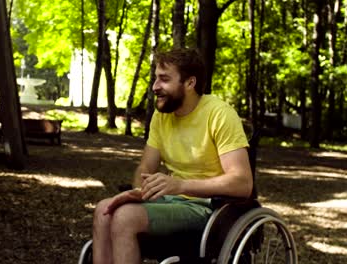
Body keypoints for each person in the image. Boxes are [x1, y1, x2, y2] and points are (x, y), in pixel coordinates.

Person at [92, 48, 253, 264]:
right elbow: (145, 168)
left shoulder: (219, 114)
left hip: (208, 208)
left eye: (164, 79)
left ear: (189, 83)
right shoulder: (161, 117)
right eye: (156, 78)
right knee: (104, 210)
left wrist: (181, 185)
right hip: (169, 202)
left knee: (124, 217)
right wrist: (141, 191)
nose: (155, 87)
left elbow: (242, 183)